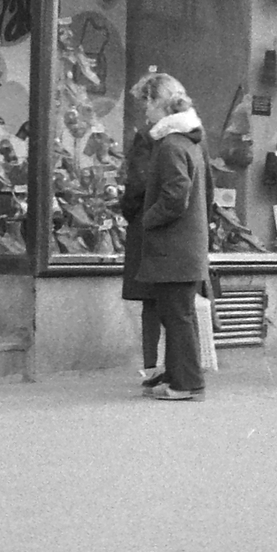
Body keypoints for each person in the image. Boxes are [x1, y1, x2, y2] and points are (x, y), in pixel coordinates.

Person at [130, 72, 212, 402]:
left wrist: (147, 220)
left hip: (173, 247)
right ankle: (180, 376)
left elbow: (176, 195)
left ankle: (186, 383)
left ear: (159, 104)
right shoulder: (189, 142)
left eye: (147, 103)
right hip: (186, 246)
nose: (145, 111)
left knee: (176, 316)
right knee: (179, 315)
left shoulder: (169, 146)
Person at [118, 117, 163, 389]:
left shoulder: (147, 137)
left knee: (151, 303)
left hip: (147, 224)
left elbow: (137, 183)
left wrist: (129, 210)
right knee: (176, 304)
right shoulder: (190, 136)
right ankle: (179, 366)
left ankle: (151, 367)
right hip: (179, 231)